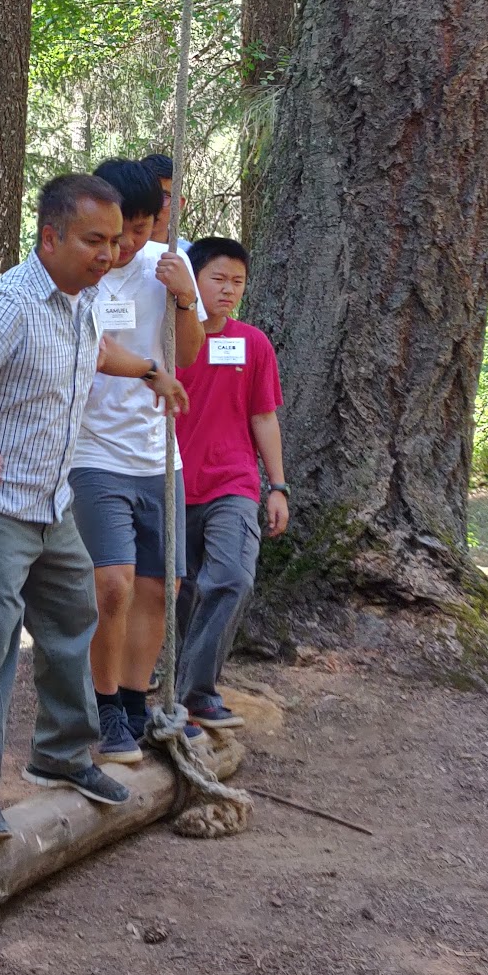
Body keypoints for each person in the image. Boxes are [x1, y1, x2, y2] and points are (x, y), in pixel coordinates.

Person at [0, 174, 189, 840]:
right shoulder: (9, 304)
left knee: (75, 615)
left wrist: (152, 372)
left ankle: (62, 756)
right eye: (93, 240)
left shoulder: (84, 301)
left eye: (115, 240)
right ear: (51, 237)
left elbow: (98, 351)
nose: (110, 253)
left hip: (53, 503)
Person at [67, 158, 206, 765]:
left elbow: (190, 355)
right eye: (121, 230)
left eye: (142, 229)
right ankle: (102, 705)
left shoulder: (167, 266)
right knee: (112, 584)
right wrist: (149, 372)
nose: (127, 245)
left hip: (158, 453)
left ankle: (132, 702)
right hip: (92, 449)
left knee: (160, 586)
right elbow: (92, 350)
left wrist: (185, 297)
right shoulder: (84, 268)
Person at [174, 236, 289, 729]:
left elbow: (264, 417)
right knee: (180, 593)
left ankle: (196, 691)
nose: (228, 290)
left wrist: (277, 487)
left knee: (232, 578)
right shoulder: (165, 339)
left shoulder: (253, 343)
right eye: (218, 278)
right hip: (170, 483)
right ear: (192, 279)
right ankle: (175, 688)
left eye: (237, 282)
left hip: (233, 485)